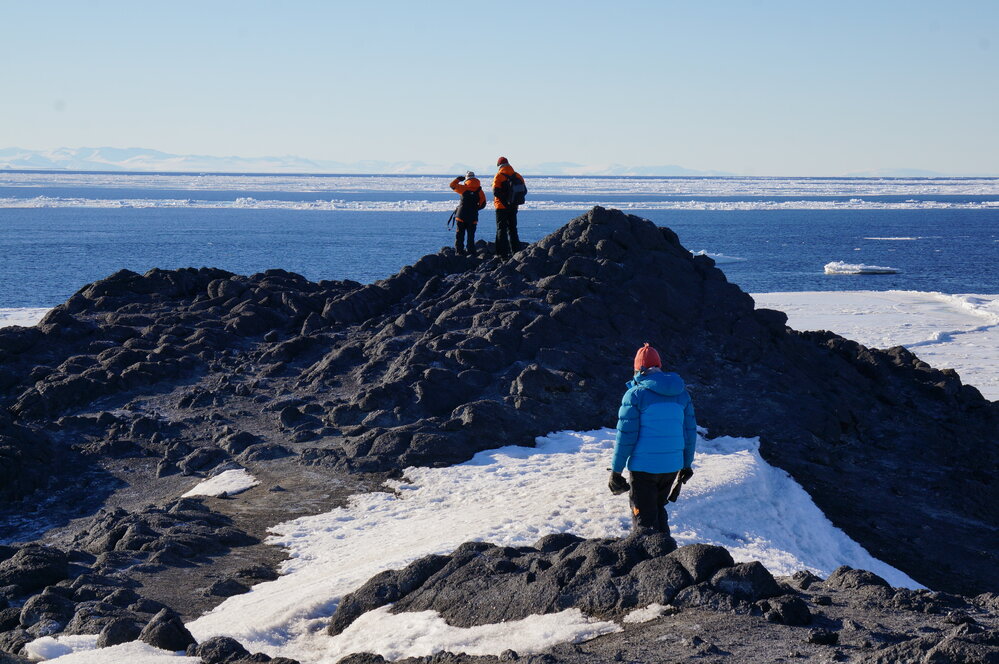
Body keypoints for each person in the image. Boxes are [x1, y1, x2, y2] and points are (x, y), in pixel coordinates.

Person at [608, 343, 697, 536]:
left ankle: (649, 562)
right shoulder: (682, 394)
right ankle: (666, 555)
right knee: (658, 509)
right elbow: (690, 433)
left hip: (644, 468)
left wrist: (616, 471)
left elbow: (625, 437)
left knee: (644, 522)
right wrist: (687, 465)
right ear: (659, 365)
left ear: (638, 368)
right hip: (671, 467)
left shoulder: (636, 394)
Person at [491, 157, 526, 259]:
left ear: (499, 166)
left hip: (501, 207)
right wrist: (512, 201)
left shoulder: (499, 176)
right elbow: (524, 191)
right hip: (514, 206)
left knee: (501, 229)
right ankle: (515, 252)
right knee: (512, 229)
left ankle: (502, 254)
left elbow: (495, 192)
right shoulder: (518, 176)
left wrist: (505, 201)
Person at [448, 171, 486, 256]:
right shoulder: (480, 191)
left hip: (461, 216)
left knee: (460, 235)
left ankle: (459, 252)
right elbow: (483, 204)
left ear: (466, 178)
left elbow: (452, 185)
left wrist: (458, 179)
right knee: (471, 236)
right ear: (475, 178)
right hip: (473, 217)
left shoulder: (463, 188)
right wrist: (475, 209)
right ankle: (471, 252)